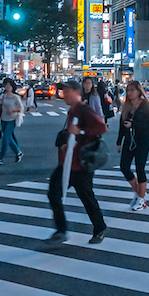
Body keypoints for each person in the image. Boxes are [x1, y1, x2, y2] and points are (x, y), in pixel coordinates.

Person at [48, 79, 109, 244]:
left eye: (67, 91)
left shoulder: (84, 110)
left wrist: (80, 131)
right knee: (54, 193)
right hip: (67, 163)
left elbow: (102, 128)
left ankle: (100, 228)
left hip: (81, 164)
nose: (64, 95)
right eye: (63, 92)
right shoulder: (72, 110)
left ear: (76, 93)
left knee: (86, 197)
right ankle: (61, 230)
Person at [117, 80, 149, 210]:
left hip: (143, 139)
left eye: (132, 90)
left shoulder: (145, 105)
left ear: (138, 91)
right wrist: (119, 142)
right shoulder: (127, 105)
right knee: (124, 167)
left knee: (140, 168)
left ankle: (141, 199)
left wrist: (133, 125)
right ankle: (140, 193)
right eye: (128, 90)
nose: (130, 93)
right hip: (129, 140)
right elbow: (121, 125)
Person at [0, 77, 23, 165]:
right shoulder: (3, 96)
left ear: (12, 87)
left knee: (6, 138)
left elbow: (21, 108)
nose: (7, 87)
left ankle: (1, 157)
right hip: (3, 118)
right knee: (8, 137)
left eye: (9, 86)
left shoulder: (15, 97)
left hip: (12, 119)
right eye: (6, 85)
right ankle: (18, 152)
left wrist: (12, 110)